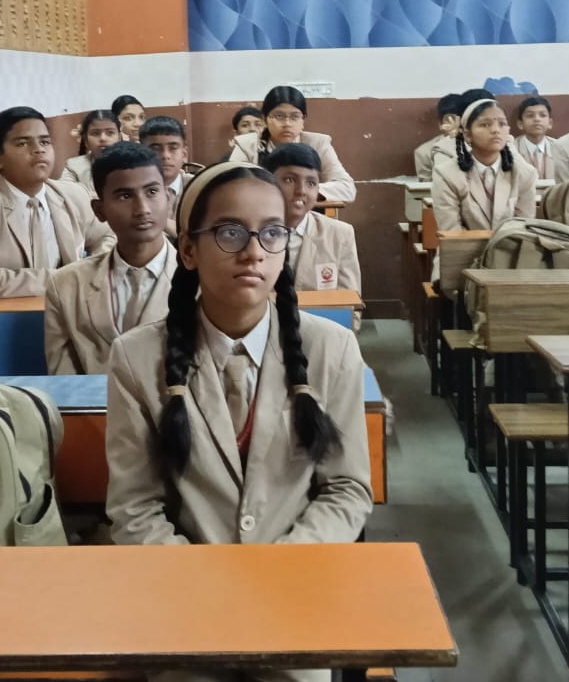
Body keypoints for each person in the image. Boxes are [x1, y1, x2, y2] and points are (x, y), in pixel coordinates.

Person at [105, 162, 372, 571]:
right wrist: (211, 581)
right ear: (188, 251)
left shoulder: (332, 348)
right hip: (186, 582)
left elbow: (346, 488)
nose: (254, 252)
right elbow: (134, 507)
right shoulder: (136, 356)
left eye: (272, 233)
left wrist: (281, 566)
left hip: (298, 575)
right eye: (230, 232)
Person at [0, 106, 113, 300]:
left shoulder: (73, 194)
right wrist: (63, 279)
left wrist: (93, 269)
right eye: (22, 143)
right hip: (7, 315)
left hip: (72, 308)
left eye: (44, 142)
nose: (39, 149)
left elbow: (108, 237)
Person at [44, 143, 175, 375]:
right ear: (99, 210)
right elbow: (64, 379)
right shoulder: (66, 285)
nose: (142, 209)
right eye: (125, 196)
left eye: (152, 192)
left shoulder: (203, 280)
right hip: (96, 398)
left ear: (168, 197)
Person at [261, 143, 362, 297]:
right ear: (268, 183)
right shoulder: (249, 232)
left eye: (311, 183)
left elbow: (349, 302)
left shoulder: (339, 234)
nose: (301, 191)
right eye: (289, 180)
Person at [227, 86, 356, 202]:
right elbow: (230, 186)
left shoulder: (318, 143)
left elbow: (347, 188)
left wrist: (302, 190)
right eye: (279, 116)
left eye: (295, 117)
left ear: (302, 121)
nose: (287, 124)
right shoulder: (248, 145)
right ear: (265, 120)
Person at [431, 99, 537, 232]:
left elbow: (524, 229)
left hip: (511, 245)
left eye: (502, 124)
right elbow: (452, 232)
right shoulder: (447, 174)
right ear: (467, 135)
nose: (496, 130)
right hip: (463, 245)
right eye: (485, 124)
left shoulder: (524, 173)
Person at [63, 109, 121, 197]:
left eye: (110, 133)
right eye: (95, 133)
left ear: (119, 138)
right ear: (85, 140)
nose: (103, 138)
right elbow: (65, 194)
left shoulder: (133, 163)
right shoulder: (73, 166)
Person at [413, 93, 463, 181]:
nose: (456, 124)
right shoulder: (424, 153)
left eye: (461, 119)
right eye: (449, 119)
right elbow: (426, 187)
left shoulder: (481, 145)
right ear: (440, 124)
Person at [512, 95, 559, 180]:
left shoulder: (560, 148)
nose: (537, 119)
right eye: (530, 115)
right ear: (520, 124)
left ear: (550, 123)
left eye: (542, 115)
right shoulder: (511, 149)